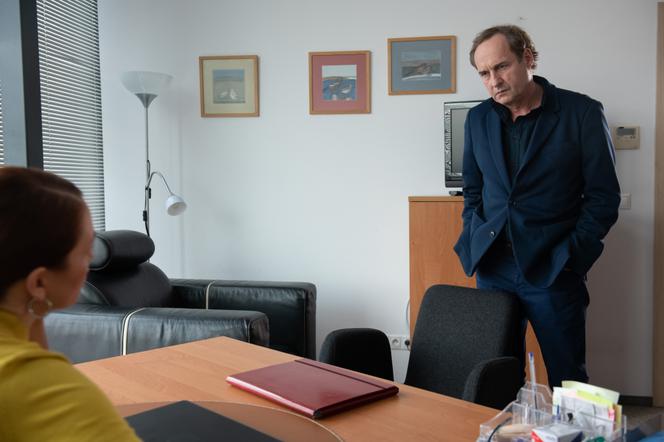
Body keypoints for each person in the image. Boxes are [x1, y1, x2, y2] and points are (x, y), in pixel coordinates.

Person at [454, 25, 620, 388]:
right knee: (496, 374)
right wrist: (473, 233)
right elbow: (473, 190)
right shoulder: (478, 119)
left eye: (501, 66)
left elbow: (604, 197)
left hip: (554, 267)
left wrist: (572, 256)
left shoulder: (582, 112)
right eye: (484, 73)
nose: (494, 81)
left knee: (568, 378)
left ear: (527, 58)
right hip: (493, 268)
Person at [0, 166, 139, 441]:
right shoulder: (35, 383)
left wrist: (34, 315)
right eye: (86, 252)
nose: (91, 260)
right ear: (39, 282)